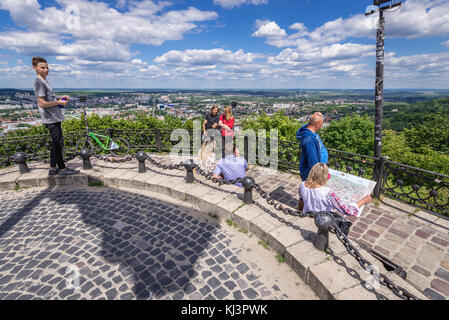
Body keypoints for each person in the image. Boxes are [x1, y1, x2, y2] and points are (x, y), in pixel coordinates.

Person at [32, 57, 79, 176]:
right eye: (42, 67)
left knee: (55, 143)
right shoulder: (39, 82)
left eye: (47, 67)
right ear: (35, 68)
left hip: (54, 117)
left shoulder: (44, 81)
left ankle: (52, 167)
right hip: (50, 118)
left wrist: (58, 99)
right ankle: (62, 169)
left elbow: (48, 100)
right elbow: (41, 103)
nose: (46, 69)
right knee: (58, 144)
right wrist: (59, 103)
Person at [298, 163, 372, 217]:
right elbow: (346, 210)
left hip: (307, 215)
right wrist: (363, 201)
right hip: (323, 220)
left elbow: (301, 201)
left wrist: (299, 212)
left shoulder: (303, 185)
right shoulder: (327, 192)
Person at [296, 112, 328, 181]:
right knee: (310, 190)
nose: (322, 125)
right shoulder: (309, 139)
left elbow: (311, 123)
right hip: (311, 173)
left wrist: (317, 116)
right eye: (321, 123)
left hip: (315, 170)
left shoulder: (311, 131)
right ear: (317, 124)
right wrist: (317, 175)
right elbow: (312, 159)